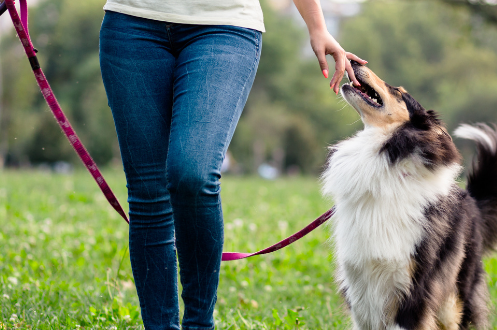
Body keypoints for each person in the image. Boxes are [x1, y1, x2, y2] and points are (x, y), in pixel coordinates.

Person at [98, 0, 365, 328]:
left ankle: (199, 323)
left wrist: (317, 26)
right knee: (148, 195)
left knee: (191, 173)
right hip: (132, 22)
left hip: (223, 24)